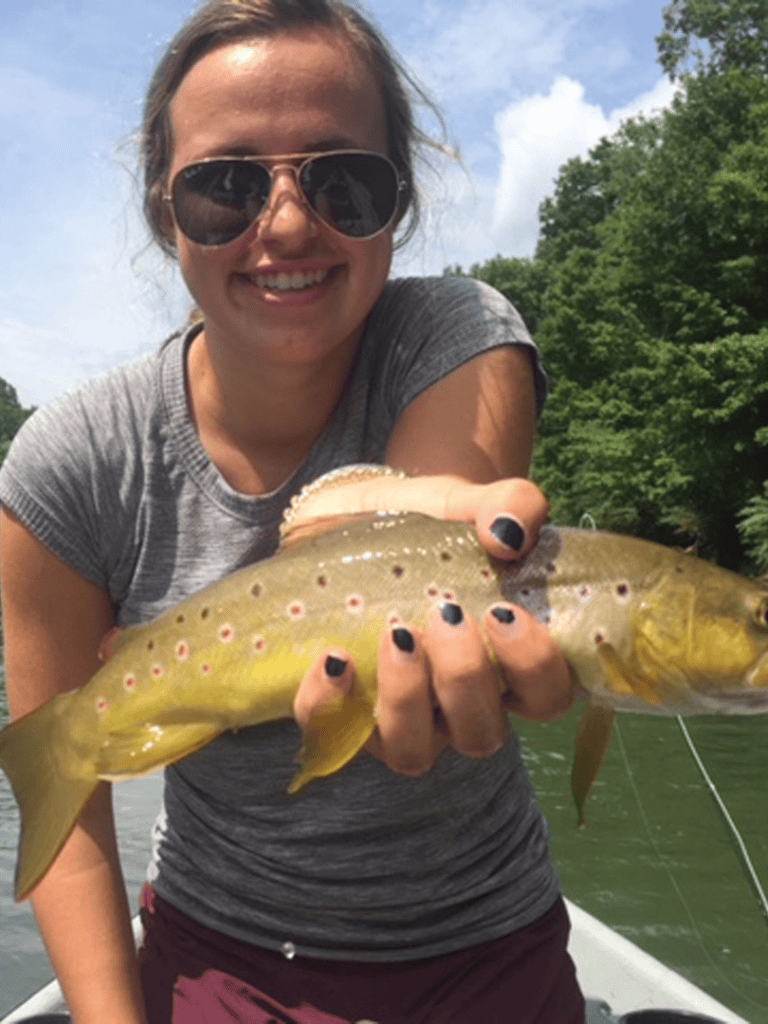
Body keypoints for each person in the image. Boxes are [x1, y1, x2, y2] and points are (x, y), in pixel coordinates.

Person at [0, 1, 584, 1021]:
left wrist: (415, 507)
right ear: (163, 208)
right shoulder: (69, 463)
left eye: (343, 181)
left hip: (492, 950)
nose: (283, 224)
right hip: (223, 959)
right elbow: (68, 805)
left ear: (397, 204)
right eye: (225, 187)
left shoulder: (458, 333)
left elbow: (395, 549)